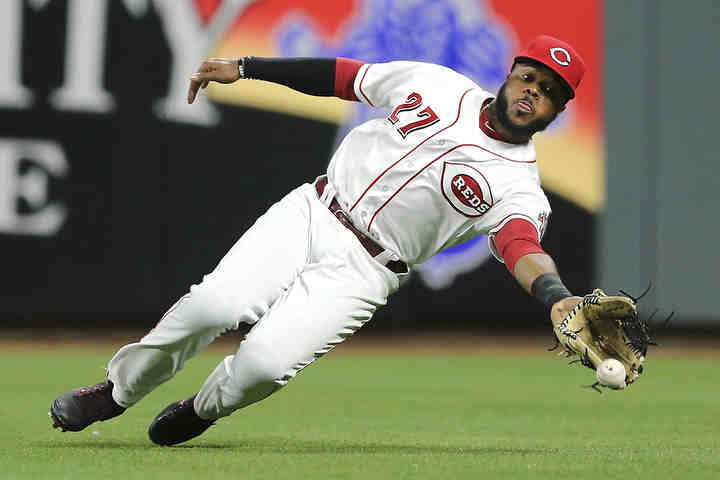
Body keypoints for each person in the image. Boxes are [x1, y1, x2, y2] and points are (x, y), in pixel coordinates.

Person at [50, 35, 586, 446]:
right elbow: (342, 76)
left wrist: (555, 295)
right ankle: (117, 393)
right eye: (530, 78)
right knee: (214, 304)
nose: (533, 93)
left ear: (557, 113)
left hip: (366, 271)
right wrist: (248, 68)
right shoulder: (438, 84)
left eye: (548, 93)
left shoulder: (520, 187)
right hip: (313, 211)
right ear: (511, 71)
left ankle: (202, 409)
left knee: (261, 367)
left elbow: (521, 246)